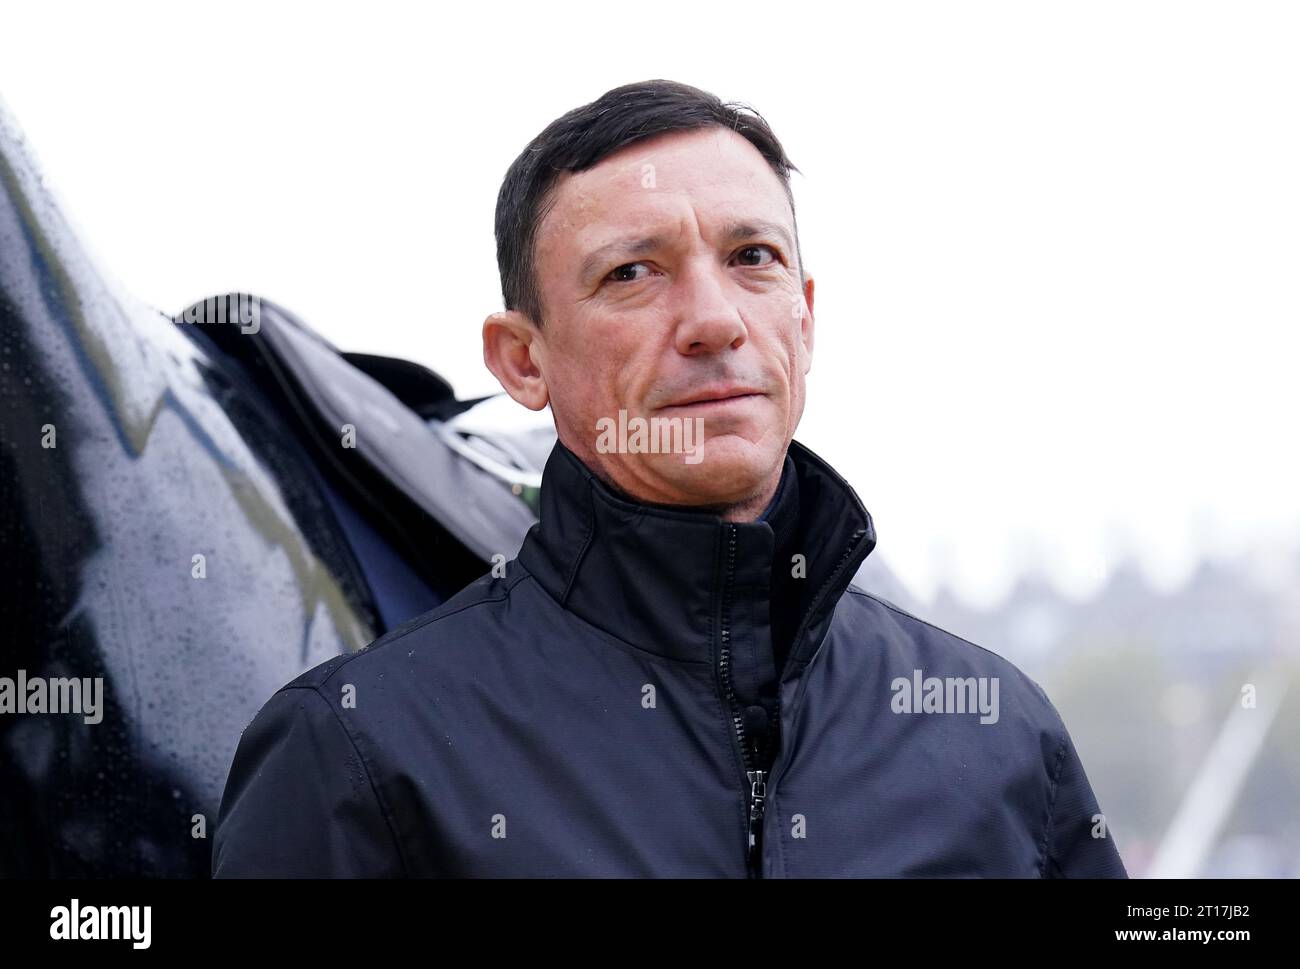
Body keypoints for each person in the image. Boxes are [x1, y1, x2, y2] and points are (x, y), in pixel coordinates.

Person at [212, 78, 1127, 878]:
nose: (714, 321)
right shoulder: (357, 755)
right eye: (634, 272)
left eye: (752, 258)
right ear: (523, 361)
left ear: (803, 320)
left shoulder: (999, 736)